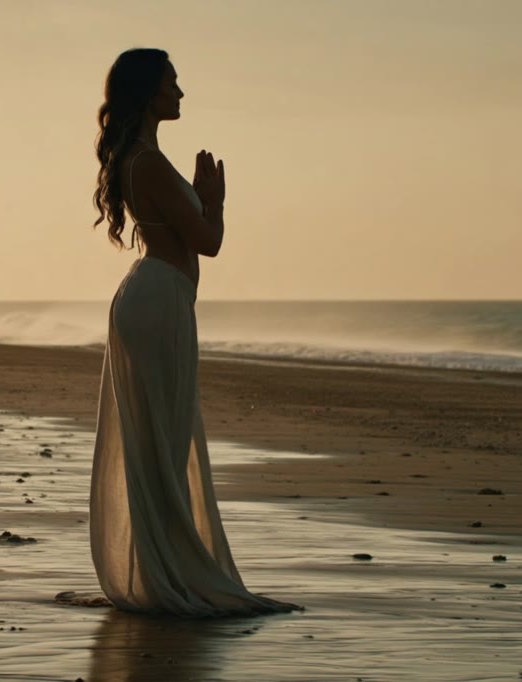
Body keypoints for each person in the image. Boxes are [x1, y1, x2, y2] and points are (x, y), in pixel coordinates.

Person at [87, 48, 301, 618]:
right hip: (158, 301)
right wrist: (216, 203)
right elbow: (207, 240)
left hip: (157, 298)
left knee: (164, 440)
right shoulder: (149, 163)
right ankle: (169, 571)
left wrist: (205, 201)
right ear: (149, 92)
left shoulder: (145, 157)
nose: (180, 93)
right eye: (172, 83)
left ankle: (166, 565)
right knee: (164, 440)